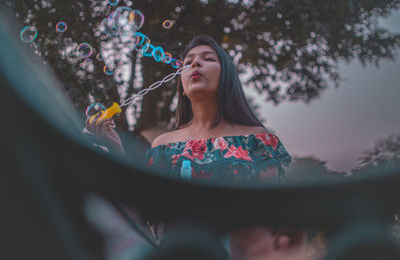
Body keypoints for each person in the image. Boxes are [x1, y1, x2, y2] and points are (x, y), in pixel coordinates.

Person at [87, 34, 309, 260]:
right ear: (182, 86)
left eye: (208, 58)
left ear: (227, 76)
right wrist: (117, 151)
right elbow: (148, 210)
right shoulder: (162, 145)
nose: (195, 63)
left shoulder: (259, 139)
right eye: (187, 61)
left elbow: (266, 216)